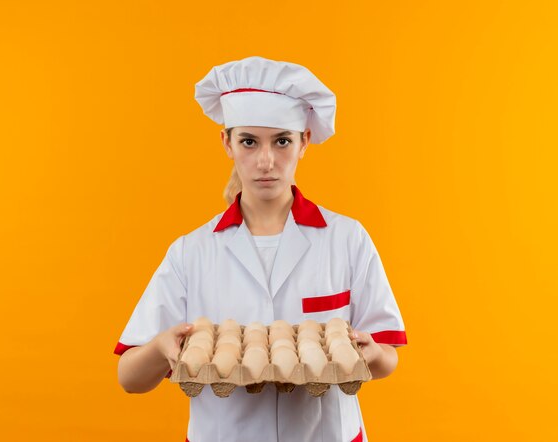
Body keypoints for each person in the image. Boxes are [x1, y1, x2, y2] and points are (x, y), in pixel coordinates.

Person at [114, 56, 407, 442]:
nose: (266, 161)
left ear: (304, 142)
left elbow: (388, 357)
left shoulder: (346, 239)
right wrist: (157, 349)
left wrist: (369, 355)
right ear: (227, 143)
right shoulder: (192, 252)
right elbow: (129, 378)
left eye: (282, 141)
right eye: (249, 141)